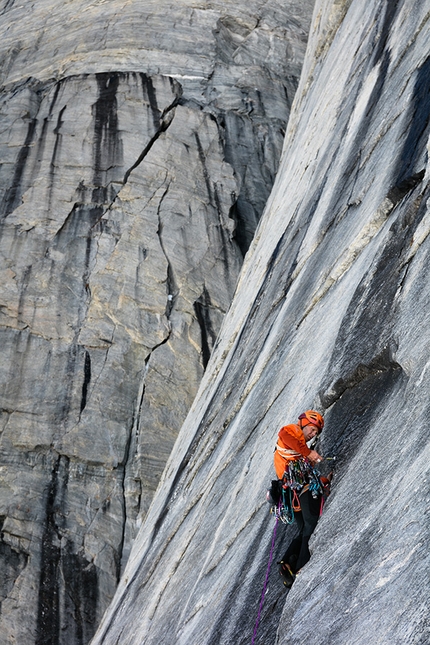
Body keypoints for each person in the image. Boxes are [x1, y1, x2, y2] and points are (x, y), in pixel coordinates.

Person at [274, 410, 329, 587]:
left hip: (291, 494)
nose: (313, 434)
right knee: (311, 522)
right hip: (298, 489)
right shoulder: (294, 432)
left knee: (304, 528)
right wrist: (308, 452)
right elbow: (284, 433)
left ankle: (288, 561)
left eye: (316, 433)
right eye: (312, 429)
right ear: (303, 424)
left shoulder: (299, 450)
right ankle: (301, 566)